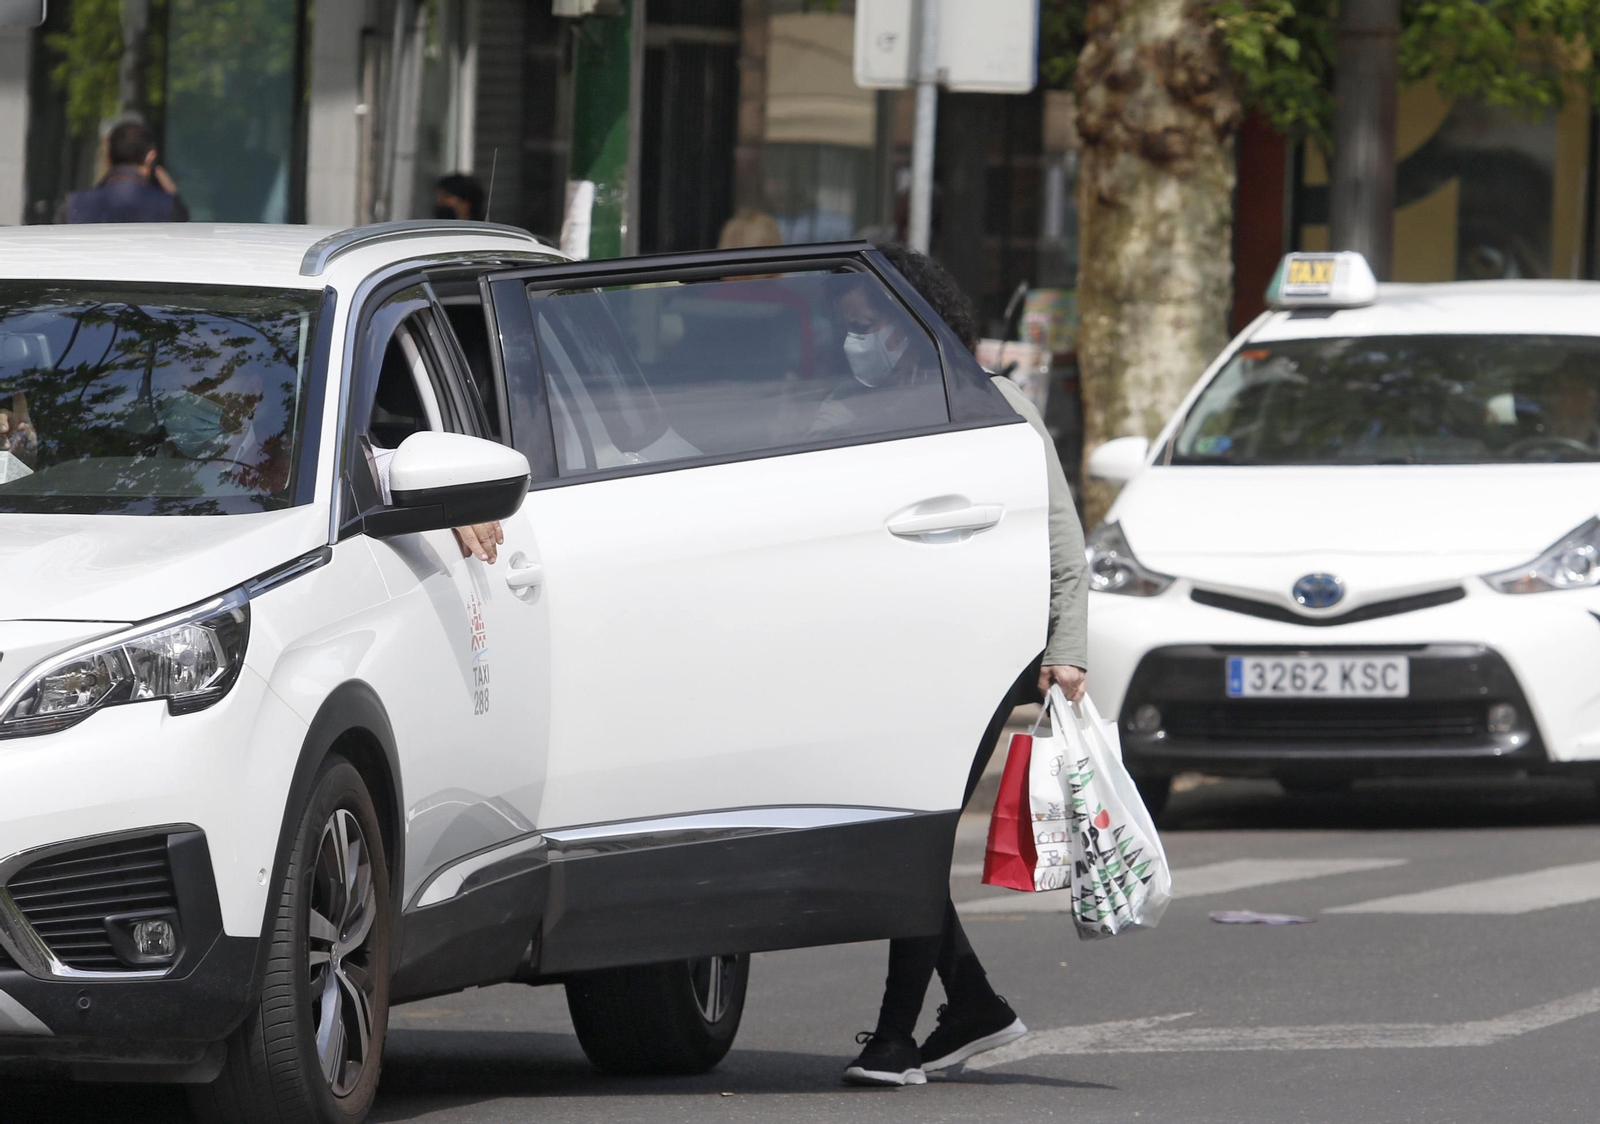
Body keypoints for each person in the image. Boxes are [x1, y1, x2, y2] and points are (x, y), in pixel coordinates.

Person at [842, 244, 1088, 1087]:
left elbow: (1063, 544)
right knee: (896, 839)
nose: (855, 343)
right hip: (891, 659)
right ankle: (972, 1005)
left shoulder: (997, 407)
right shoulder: (857, 410)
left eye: (866, 327)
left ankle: (894, 1039)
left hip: (977, 659)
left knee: (913, 840)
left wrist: (1066, 654)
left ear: (914, 326)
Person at [65, 121, 188, 223]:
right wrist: (174, 197)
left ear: (108, 159)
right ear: (150, 158)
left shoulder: (73, 205)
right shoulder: (168, 207)